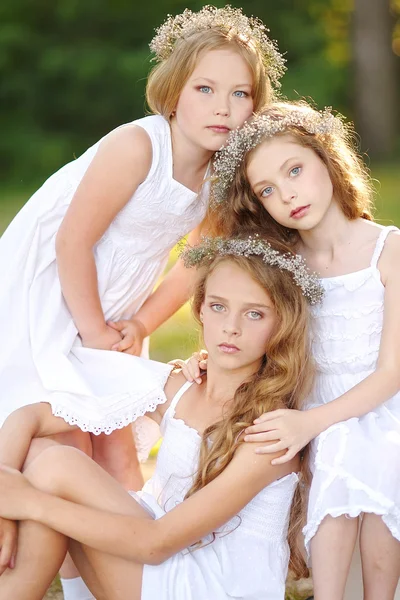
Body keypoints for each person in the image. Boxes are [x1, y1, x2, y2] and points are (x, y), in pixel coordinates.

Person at [0, 6, 285, 492]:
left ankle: (127, 556)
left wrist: (139, 325)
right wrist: (93, 331)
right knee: (71, 435)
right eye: (205, 89)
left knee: (114, 437)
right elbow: (72, 240)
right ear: (173, 94)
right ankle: (59, 542)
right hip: (52, 289)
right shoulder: (139, 147)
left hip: (116, 304)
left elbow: (195, 263)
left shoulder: (220, 176)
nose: (223, 107)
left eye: (240, 94)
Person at [0, 236, 319, 600]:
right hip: (164, 559)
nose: (231, 327)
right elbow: (30, 419)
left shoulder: (270, 433)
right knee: (44, 455)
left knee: (55, 470)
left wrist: (27, 502)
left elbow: (155, 545)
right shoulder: (179, 386)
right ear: (199, 310)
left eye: (254, 313)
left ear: (282, 324)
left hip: (208, 586)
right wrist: (5, 509)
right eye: (218, 307)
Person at [203, 101, 400, 600]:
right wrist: (212, 360)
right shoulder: (284, 265)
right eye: (267, 189)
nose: (287, 194)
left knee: (359, 442)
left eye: (295, 170)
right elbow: (256, 331)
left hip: (383, 407)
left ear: (328, 160)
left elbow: (393, 372)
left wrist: (316, 424)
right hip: (309, 409)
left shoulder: (388, 250)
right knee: (341, 442)